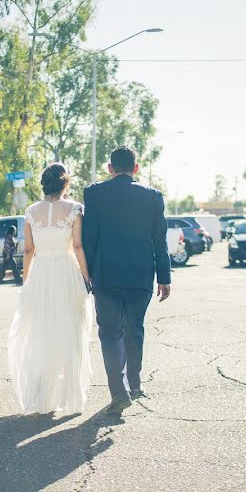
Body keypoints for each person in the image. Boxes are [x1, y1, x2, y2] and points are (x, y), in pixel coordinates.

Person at [82, 146, 171, 415]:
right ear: (136, 168)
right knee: (135, 328)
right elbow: (159, 240)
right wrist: (164, 278)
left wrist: (86, 275)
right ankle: (134, 383)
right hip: (141, 275)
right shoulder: (153, 197)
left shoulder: (94, 194)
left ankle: (118, 393)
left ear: (110, 168)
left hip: (106, 275)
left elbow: (89, 239)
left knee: (110, 333)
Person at [7, 163, 93, 415]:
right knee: (70, 331)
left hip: (41, 273)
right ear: (66, 183)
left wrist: (26, 282)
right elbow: (77, 247)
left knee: (41, 332)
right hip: (66, 272)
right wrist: (87, 278)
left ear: (44, 184)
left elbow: (28, 250)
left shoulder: (31, 211)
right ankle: (70, 398)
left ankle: (43, 398)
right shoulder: (75, 209)